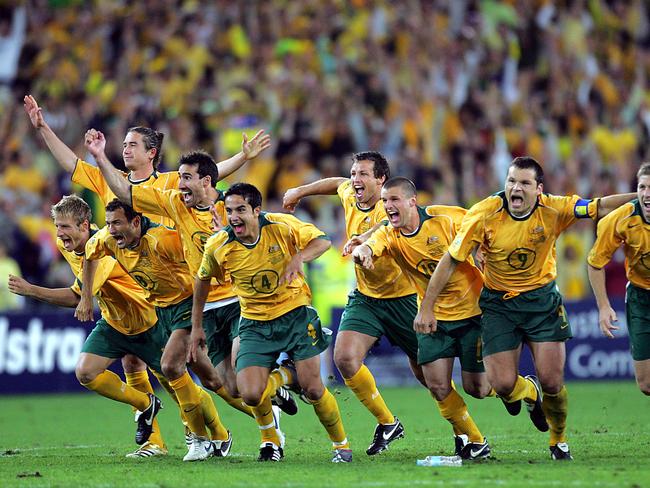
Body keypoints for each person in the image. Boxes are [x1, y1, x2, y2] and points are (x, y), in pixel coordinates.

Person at [23, 94, 272, 419]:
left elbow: (212, 174)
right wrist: (43, 128)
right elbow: (70, 163)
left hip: (177, 290)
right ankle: (181, 435)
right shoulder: (107, 179)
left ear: (151, 153)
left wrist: (242, 156)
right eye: (123, 144)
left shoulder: (170, 184)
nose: (125, 149)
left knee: (197, 372)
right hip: (139, 293)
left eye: (132, 144)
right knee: (157, 367)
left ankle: (246, 420)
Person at [416, 156, 635, 460]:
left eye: (523, 183)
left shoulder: (555, 207)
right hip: (498, 305)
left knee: (553, 382)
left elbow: (599, 205)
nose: (514, 189)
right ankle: (529, 392)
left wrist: (642, 196)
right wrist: (427, 307)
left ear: (538, 189)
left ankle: (558, 440)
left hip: (542, 302)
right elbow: (451, 260)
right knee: (503, 385)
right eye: (510, 181)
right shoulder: (483, 213)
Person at [88, 145, 296, 426]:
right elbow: (127, 193)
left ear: (205, 182)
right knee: (227, 384)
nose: (180, 184)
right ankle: (274, 387)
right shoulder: (174, 203)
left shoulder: (232, 207)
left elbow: (261, 243)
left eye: (186, 178)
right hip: (204, 305)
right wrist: (100, 156)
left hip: (237, 300)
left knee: (215, 365)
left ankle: (260, 436)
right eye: (180, 178)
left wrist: (229, 231)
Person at [191, 183, 352, 463]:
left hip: (295, 315)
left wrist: (298, 258)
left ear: (256, 210)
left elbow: (323, 241)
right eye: (229, 211)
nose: (234, 217)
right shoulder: (219, 245)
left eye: (241, 210)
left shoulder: (282, 225)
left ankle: (341, 446)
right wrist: (196, 327)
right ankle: (274, 425)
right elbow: (203, 280)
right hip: (254, 323)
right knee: (249, 394)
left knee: (313, 389)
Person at [283, 151, 421, 455]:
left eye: (363, 175)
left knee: (433, 376)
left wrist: (364, 240)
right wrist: (300, 191)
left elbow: (385, 227)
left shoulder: (393, 206)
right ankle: (387, 423)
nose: (355, 180)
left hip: (405, 298)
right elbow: (336, 184)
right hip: (367, 297)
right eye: (354, 173)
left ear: (381, 180)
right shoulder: (348, 192)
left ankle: (470, 432)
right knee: (344, 359)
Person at [7, 195, 165, 456]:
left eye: (65, 227)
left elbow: (78, 296)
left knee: (176, 379)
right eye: (57, 226)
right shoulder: (64, 244)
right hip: (115, 319)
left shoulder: (101, 248)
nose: (59, 234)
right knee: (87, 372)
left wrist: (32, 290)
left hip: (149, 316)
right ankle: (151, 427)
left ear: (84, 226)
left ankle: (213, 435)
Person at [352, 177, 492, 459]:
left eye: (394, 200)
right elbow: (368, 246)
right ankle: (475, 440)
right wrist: (361, 253)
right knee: (438, 384)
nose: (388, 206)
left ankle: (521, 389)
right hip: (432, 316)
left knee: (479, 388)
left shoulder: (446, 218)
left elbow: (483, 227)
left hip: (472, 312)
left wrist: (483, 247)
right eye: (384, 201)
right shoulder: (389, 235)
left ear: (412, 201)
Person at [82, 199, 231, 462]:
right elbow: (89, 252)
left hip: (188, 303)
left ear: (136, 222)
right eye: (108, 223)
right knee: (211, 379)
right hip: (161, 311)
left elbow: (203, 259)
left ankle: (203, 438)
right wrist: (85, 297)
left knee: (174, 368)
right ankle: (225, 431)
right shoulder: (107, 239)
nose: (112, 230)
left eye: (117, 223)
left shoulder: (163, 240)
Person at [587, 162, 650, 396]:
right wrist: (603, 306)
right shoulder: (620, 219)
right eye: (642, 187)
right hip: (640, 296)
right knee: (646, 384)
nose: (647, 193)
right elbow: (594, 263)